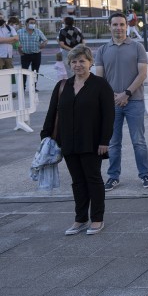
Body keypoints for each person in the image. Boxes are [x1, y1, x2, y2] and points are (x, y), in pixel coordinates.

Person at [41, 44, 114, 236]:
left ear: (90, 62)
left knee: (93, 179)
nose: (78, 65)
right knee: (77, 182)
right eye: (74, 61)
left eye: (82, 61)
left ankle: (97, 218)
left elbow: (109, 116)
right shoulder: (62, 86)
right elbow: (52, 112)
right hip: (68, 142)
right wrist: (45, 136)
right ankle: (80, 219)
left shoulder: (100, 85)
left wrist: (104, 141)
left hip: (92, 142)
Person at [95, 12, 148, 191]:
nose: (118, 28)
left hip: (134, 101)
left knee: (138, 141)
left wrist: (126, 93)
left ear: (126, 26)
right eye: (115, 24)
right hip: (111, 103)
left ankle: (144, 175)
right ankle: (113, 176)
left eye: (122, 24)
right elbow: (100, 78)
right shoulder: (102, 50)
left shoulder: (137, 47)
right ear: (109, 26)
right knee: (113, 142)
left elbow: (142, 74)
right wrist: (113, 96)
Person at [18, 17, 48, 91]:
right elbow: (15, 42)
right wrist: (19, 49)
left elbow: (45, 40)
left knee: (35, 71)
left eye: (34, 23)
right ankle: (23, 88)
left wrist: (43, 44)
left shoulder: (38, 31)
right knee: (24, 71)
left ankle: (33, 87)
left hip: (36, 54)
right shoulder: (20, 32)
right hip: (25, 54)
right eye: (31, 23)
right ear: (26, 23)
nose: (33, 24)